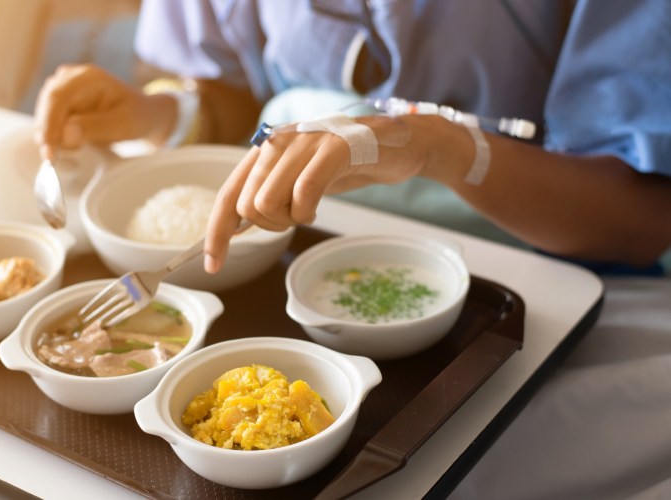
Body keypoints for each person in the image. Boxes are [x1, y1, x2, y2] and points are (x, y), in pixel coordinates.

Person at [34, 2, 671, 496]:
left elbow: (641, 214)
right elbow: (246, 104)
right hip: (323, 241)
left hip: (562, 278)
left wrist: (442, 147)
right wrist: (157, 114)